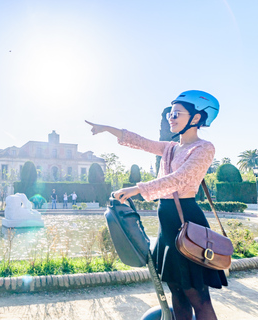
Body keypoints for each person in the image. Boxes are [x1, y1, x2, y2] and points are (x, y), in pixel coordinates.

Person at [86, 90, 226, 320]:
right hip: (167, 224)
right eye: (171, 113)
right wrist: (107, 128)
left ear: (197, 118)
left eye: (177, 113)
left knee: (198, 298)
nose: (171, 117)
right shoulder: (170, 147)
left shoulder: (203, 147)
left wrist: (137, 189)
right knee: (177, 294)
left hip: (187, 222)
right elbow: (140, 142)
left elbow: (180, 179)